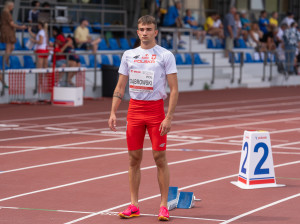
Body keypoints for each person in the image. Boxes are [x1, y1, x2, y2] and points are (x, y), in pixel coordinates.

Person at [108, 15, 178, 221]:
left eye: (149, 29)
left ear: (155, 32)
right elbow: (120, 87)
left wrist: (169, 117)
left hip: (156, 111)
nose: (145, 32)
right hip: (135, 110)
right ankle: (134, 205)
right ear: (137, 32)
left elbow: (174, 90)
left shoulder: (165, 55)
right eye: (142, 29)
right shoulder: (129, 55)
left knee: (159, 158)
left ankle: (163, 205)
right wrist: (113, 112)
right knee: (133, 159)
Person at [0, 1, 26, 67]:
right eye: (12, 6)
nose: (13, 7)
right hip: (7, 31)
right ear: (9, 6)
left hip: (8, 31)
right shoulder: (6, 13)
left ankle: (6, 60)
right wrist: (21, 27)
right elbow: (11, 24)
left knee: (12, 47)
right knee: (8, 47)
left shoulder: (5, 12)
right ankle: (5, 62)